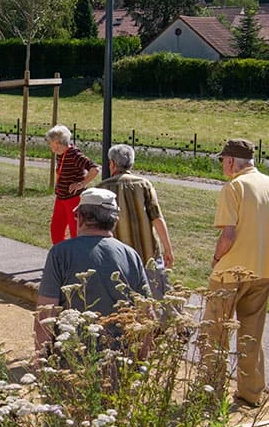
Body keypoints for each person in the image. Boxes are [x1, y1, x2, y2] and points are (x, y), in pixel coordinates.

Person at [202, 139, 269, 408]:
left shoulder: (234, 187)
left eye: (222, 161)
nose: (222, 166)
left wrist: (216, 258)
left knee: (214, 333)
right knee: (252, 335)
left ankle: (211, 393)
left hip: (231, 272)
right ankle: (251, 393)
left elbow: (228, 234)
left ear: (230, 161)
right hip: (264, 271)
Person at [34, 187, 150, 353]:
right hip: (121, 360)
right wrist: (142, 361)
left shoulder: (60, 253)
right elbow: (146, 314)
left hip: (72, 358)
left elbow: (46, 313)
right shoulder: (131, 255)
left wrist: (41, 359)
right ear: (114, 220)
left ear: (80, 218)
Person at [98, 144, 175, 299]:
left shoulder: (103, 188)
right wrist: (168, 249)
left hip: (118, 258)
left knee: (125, 301)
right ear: (131, 163)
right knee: (159, 298)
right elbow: (157, 218)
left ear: (112, 164)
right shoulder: (144, 184)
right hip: (148, 254)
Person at [46, 125, 99, 244]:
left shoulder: (74, 154)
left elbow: (95, 168)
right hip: (61, 197)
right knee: (56, 230)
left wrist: (82, 184)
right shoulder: (60, 154)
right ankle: (60, 255)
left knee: (75, 232)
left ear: (57, 142)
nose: (49, 145)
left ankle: (76, 258)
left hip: (73, 199)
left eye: (50, 142)